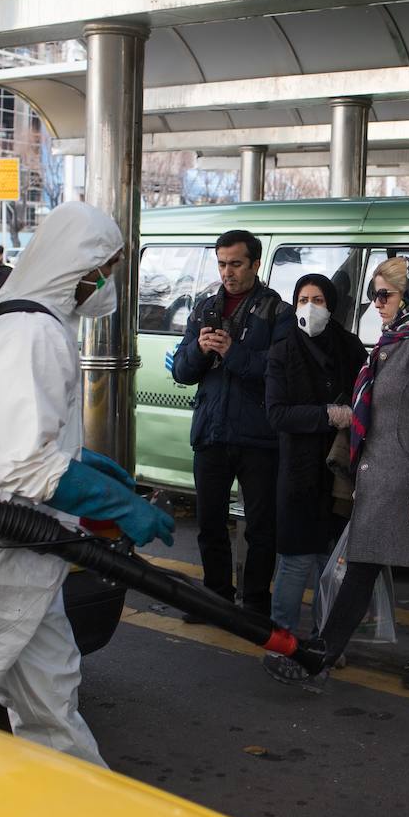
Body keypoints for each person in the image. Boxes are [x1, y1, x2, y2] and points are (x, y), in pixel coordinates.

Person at [0, 201, 175, 766]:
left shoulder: (10, 315)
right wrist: (120, 507)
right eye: (107, 269)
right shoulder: (31, 330)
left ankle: (80, 810)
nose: (107, 283)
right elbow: (24, 467)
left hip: (21, 553)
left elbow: (1, 437)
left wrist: (93, 470)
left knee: (51, 698)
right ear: (81, 266)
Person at [264, 256, 409, 692]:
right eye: (374, 294)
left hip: (408, 482)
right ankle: (329, 656)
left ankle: (324, 657)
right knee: (383, 568)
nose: (377, 303)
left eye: (385, 295)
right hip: (386, 479)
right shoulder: (397, 338)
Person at [171, 230, 290, 616]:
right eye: (222, 264)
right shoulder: (205, 308)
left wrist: (232, 352)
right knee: (209, 523)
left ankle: (256, 602)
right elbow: (184, 372)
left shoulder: (277, 311)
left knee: (260, 526)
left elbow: (279, 373)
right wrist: (199, 350)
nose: (227, 272)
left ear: (256, 264)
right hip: (211, 431)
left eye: (236, 264)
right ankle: (215, 597)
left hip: (258, 436)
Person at [263, 273, 366, 635]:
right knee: (295, 560)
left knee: (332, 560)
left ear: (331, 305)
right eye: (303, 299)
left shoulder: (351, 348)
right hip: (299, 473)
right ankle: (283, 638)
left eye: (318, 299)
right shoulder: (282, 350)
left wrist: (353, 413)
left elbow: (366, 399)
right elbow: (276, 413)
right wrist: (327, 415)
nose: (309, 306)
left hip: (339, 473)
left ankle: (328, 639)